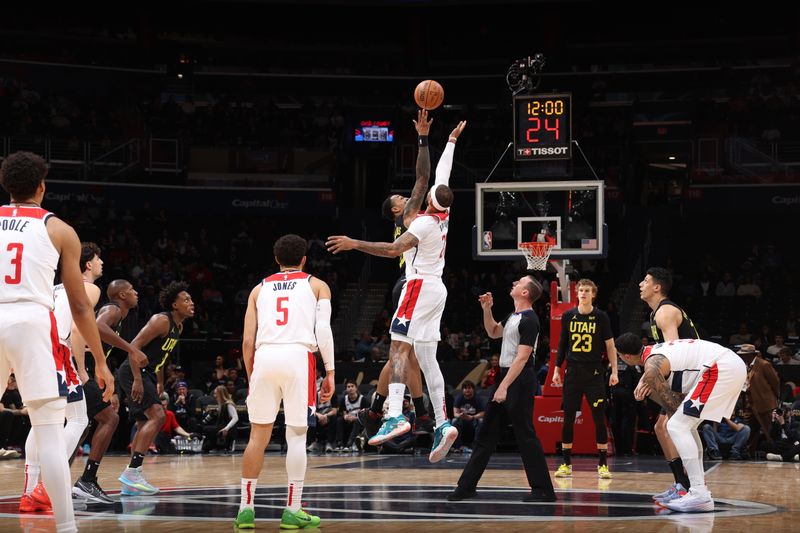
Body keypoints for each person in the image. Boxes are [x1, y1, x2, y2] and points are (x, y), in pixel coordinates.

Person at [328, 112, 465, 462]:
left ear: (429, 199)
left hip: (418, 287)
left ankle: (393, 415)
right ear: (394, 212)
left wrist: (353, 242)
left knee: (398, 350)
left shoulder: (421, 222)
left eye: (407, 196)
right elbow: (436, 176)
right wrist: (445, 142)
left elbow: (392, 248)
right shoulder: (433, 215)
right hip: (433, 289)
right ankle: (441, 422)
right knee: (427, 357)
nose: (405, 197)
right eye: (398, 199)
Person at [0, 150, 114, 533]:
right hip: (32, 321)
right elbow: (81, 304)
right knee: (50, 432)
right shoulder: (60, 229)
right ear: (41, 187)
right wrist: (99, 362)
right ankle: (66, 527)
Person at [234, 234, 335, 530]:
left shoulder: (258, 289)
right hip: (297, 357)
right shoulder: (317, 285)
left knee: (257, 436)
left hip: (264, 357)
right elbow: (324, 332)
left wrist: (253, 373)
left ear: (276, 260)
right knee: (296, 436)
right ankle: (292, 509)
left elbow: (247, 340)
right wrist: (329, 371)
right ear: (304, 259)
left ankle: (245, 509)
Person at [447, 275, 556, 503]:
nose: (514, 282)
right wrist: (487, 308)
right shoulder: (513, 316)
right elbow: (493, 331)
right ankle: (466, 486)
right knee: (486, 435)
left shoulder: (530, 320)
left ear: (525, 292)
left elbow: (523, 357)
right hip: (508, 378)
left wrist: (503, 387)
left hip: (520, 379)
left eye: (519, 282)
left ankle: (543, 490)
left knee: (525, 434)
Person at [615, 334, 747, 512]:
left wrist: (651, 384)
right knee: (684, 425)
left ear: (627, 356)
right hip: (728, 365)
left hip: (720, 368)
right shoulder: (654, 352)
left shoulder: (653, 367)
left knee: (676, 425)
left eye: (619, 355)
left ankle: (699, 493)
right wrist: (648, 382)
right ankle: (697, 487)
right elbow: (674, 405)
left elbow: (672, 407)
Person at [117, 281, 194, 495]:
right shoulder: (161, 320)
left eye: (191, 299)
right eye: (186, 300)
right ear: (174, 305)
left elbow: (160, 357)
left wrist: (159, 381)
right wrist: (138, 380)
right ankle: (133, 471)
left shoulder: (179, 326)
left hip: (147, 373)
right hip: (133, 371)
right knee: (159, 416)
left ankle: (129, 482)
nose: (191, 302)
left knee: (144, 422)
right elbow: (134, 346)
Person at [638, 267, 701, 501]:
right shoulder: (657, 313)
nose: (640, 284)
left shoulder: (665, 312)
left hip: (693, 374)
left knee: (669, 428)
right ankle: (683, 484)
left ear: (657, 287)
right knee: (662, 428)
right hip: (686, 373)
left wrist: (649, 379)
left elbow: (675, 353)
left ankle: (690, 485)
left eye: (645, 281)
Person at [551, 278, 618, 479]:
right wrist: (556, 369)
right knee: (568, 418)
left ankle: (603, 464)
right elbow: (562, 344)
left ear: (593, 294)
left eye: (587, 290)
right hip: (572, 373)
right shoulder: (568, 316)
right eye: (581, 290)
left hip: (594, 374)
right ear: (577, 293)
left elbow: (610, 346)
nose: (583, 293)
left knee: (598, 417)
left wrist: (614, 371)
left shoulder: (601, 317)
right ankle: (566, 463)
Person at [736, 344, 780, 455]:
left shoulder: (764, 364)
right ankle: (749, 452)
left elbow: (775, 382)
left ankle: (778, 451)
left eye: (743, 355)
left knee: (769, 430)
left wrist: (773, 398)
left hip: (765, 403)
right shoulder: (746, 366)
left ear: (750, 355)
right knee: (751, 430)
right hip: (750, 404)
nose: (741, 357)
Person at [201, 385, 239, 452]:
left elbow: (235, 418)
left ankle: (225, 444)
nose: (214, 395)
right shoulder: (221, 404)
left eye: (216, 393)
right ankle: (214, 445)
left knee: (207, 429)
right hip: (221, 426)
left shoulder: (229, 404)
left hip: (228, 429)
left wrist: (226, 429)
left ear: (221, 394)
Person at [335, 379, 368, 451]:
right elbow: (342, 411)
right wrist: (345, 416)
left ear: (356, 388)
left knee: (357, 421)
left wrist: (355, 418)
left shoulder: (363, 399)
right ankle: (339, 443)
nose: (350, 388)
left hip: (358, 420)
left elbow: (365, 414)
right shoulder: (344, 399)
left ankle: (350, 443)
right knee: (339, 420)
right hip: (348, 419)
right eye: (348, 387)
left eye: (352, 386)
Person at [451, 380, 485, 451]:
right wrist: (461, 415)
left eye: (469, 388)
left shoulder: (478, 398)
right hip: (462, 419)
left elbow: (483, 413)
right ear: (462, 390)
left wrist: (472, 417)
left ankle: (476, 446)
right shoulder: (459, 398)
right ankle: (457, 447)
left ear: (473, 389)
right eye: (465, 388)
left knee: (481, 422)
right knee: (454, 421)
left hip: (474, 418)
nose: (467, 390)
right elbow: (455, 413)